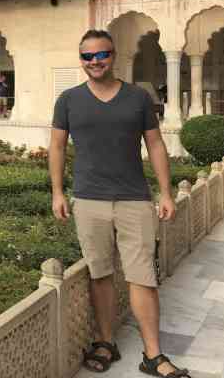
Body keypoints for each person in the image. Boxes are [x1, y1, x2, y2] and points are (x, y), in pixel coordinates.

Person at [48, 29, 187, 377]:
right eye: (87, 56)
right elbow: (57, 147)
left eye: (102, 54)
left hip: (134, 200)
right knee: (100, 274)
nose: (95, 62)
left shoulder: (137, 98)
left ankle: (153, 355)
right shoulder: (68, 100)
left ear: (113, 55)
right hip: (89, 199)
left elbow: (155, 145)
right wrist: (58, 192)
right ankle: (105, 341)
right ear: (80, 60)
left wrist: (165, 192)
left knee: (142, 278)